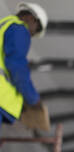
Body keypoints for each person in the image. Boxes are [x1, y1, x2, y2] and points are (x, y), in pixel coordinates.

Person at [0, 2, 48, 131]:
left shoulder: (4, 24)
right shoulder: (19, 29)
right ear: (32, 18)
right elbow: (16, 66)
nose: (32, 35)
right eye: (36, 30)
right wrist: (33, 99)